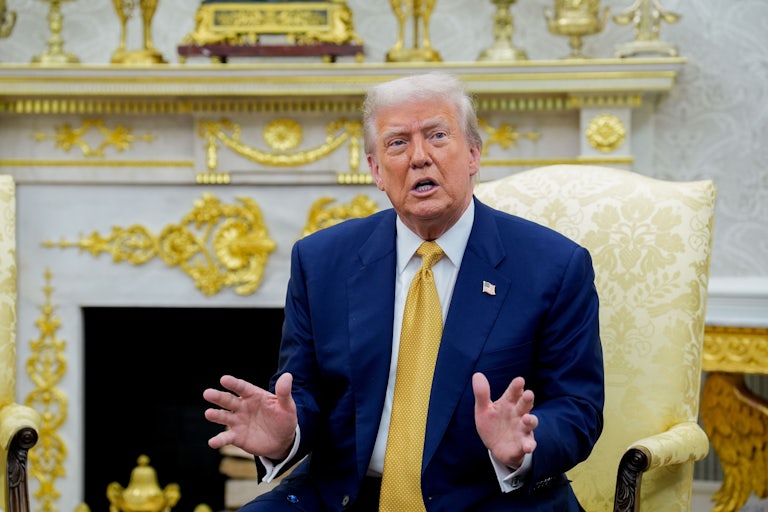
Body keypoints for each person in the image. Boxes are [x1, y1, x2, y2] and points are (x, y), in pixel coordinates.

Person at [203, 72, 604, 511]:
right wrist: (287, 435)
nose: (419, 157)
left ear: (473, 154)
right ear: (375, 169)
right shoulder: (321, 261)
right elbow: (305, 391)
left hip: (488, 498)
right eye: (397, 143)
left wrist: (525, 442)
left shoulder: (554, 266)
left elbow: (577, 406)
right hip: (345, 498)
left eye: (437, 136)